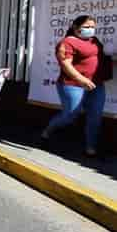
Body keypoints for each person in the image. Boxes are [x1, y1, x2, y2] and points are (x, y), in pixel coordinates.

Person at [41, 15, 111, 157]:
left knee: (95, 116)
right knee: (70, 115)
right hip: (73, 84)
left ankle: (90, 148)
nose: (90, 30)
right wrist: (81, 79)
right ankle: (47, 131)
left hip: (96, 84)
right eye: (86, 27)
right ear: (75, 27)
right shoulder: (67, 42)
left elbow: (99, 57)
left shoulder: (94, 41)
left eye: (92, 27)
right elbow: (65, 64)